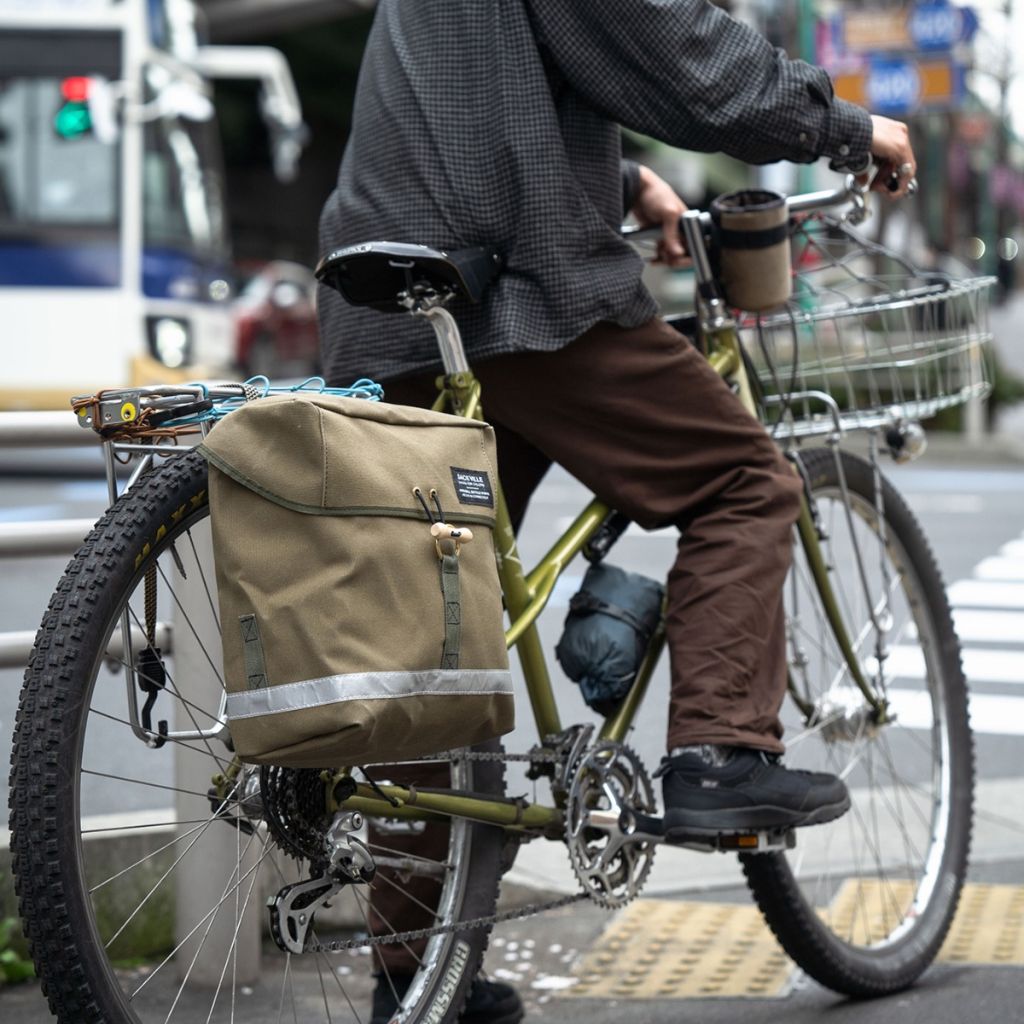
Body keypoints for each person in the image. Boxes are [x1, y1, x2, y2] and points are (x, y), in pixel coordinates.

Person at [316, 2, 917, 1021]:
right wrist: (845, 129)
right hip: (518, 291)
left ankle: (416, 974)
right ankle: (720, 752)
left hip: (381, 290)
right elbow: (675, 51)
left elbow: (503, 75)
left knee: (438, 632)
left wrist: (619, 175)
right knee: (746, 482)